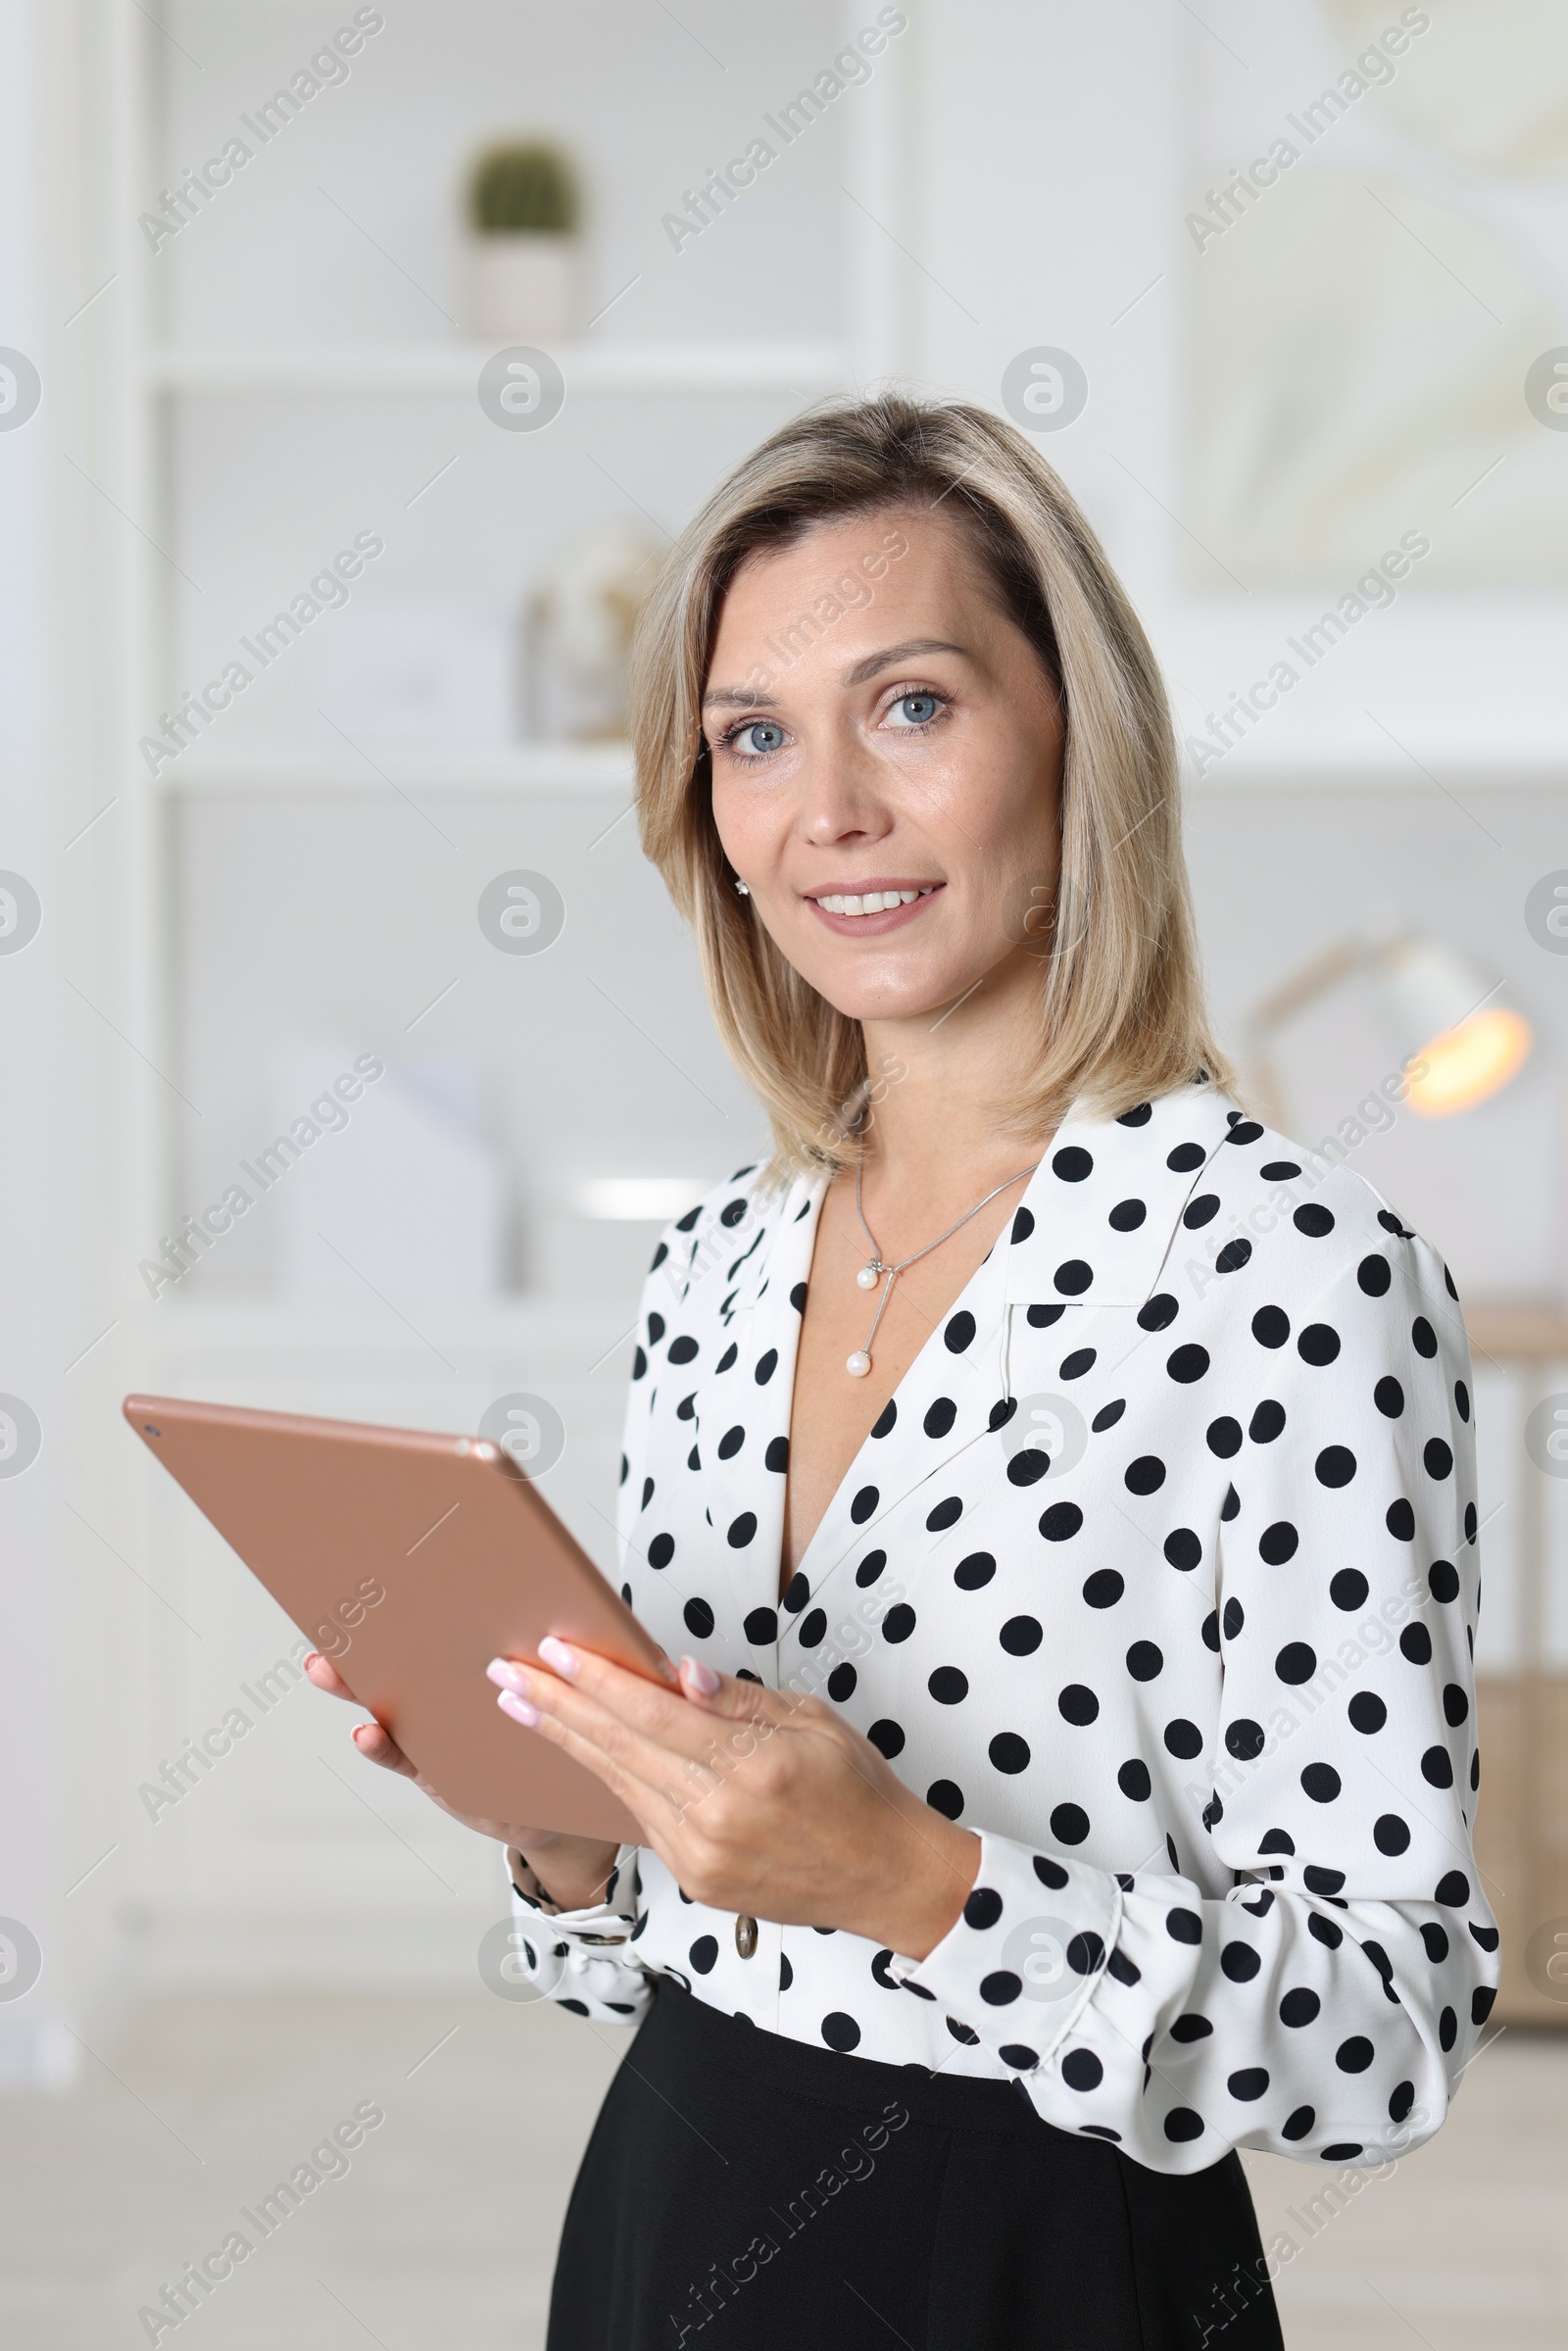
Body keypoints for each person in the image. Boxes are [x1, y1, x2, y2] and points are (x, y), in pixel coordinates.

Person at [308, 393, 1496, 2349]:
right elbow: (673, 1958)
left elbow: (1388, 2037)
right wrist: (561, 1835)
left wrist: (921, 1881)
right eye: (751, 736)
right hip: (664, 2211)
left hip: (1027, 2262)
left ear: (1069, 738)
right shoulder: (713, 1260)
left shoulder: (1286, 1272)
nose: (825, 811)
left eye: (911, 706)